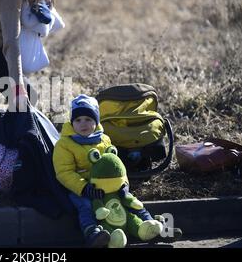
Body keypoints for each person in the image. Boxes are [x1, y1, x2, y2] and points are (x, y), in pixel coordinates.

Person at [52, 94, 163, 247]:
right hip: (81, 188)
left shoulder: (104, 139)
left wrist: (123, 184)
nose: (83, 124)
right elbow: (64, 172)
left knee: (129, 200)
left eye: (88, 119)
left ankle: (150, 224)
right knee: (85, 205)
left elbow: (116, 167)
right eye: (78, 120)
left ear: (96, 121)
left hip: (108, 186)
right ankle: (93, 233)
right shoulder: (65, 144)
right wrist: (84, 188)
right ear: (72, 122)